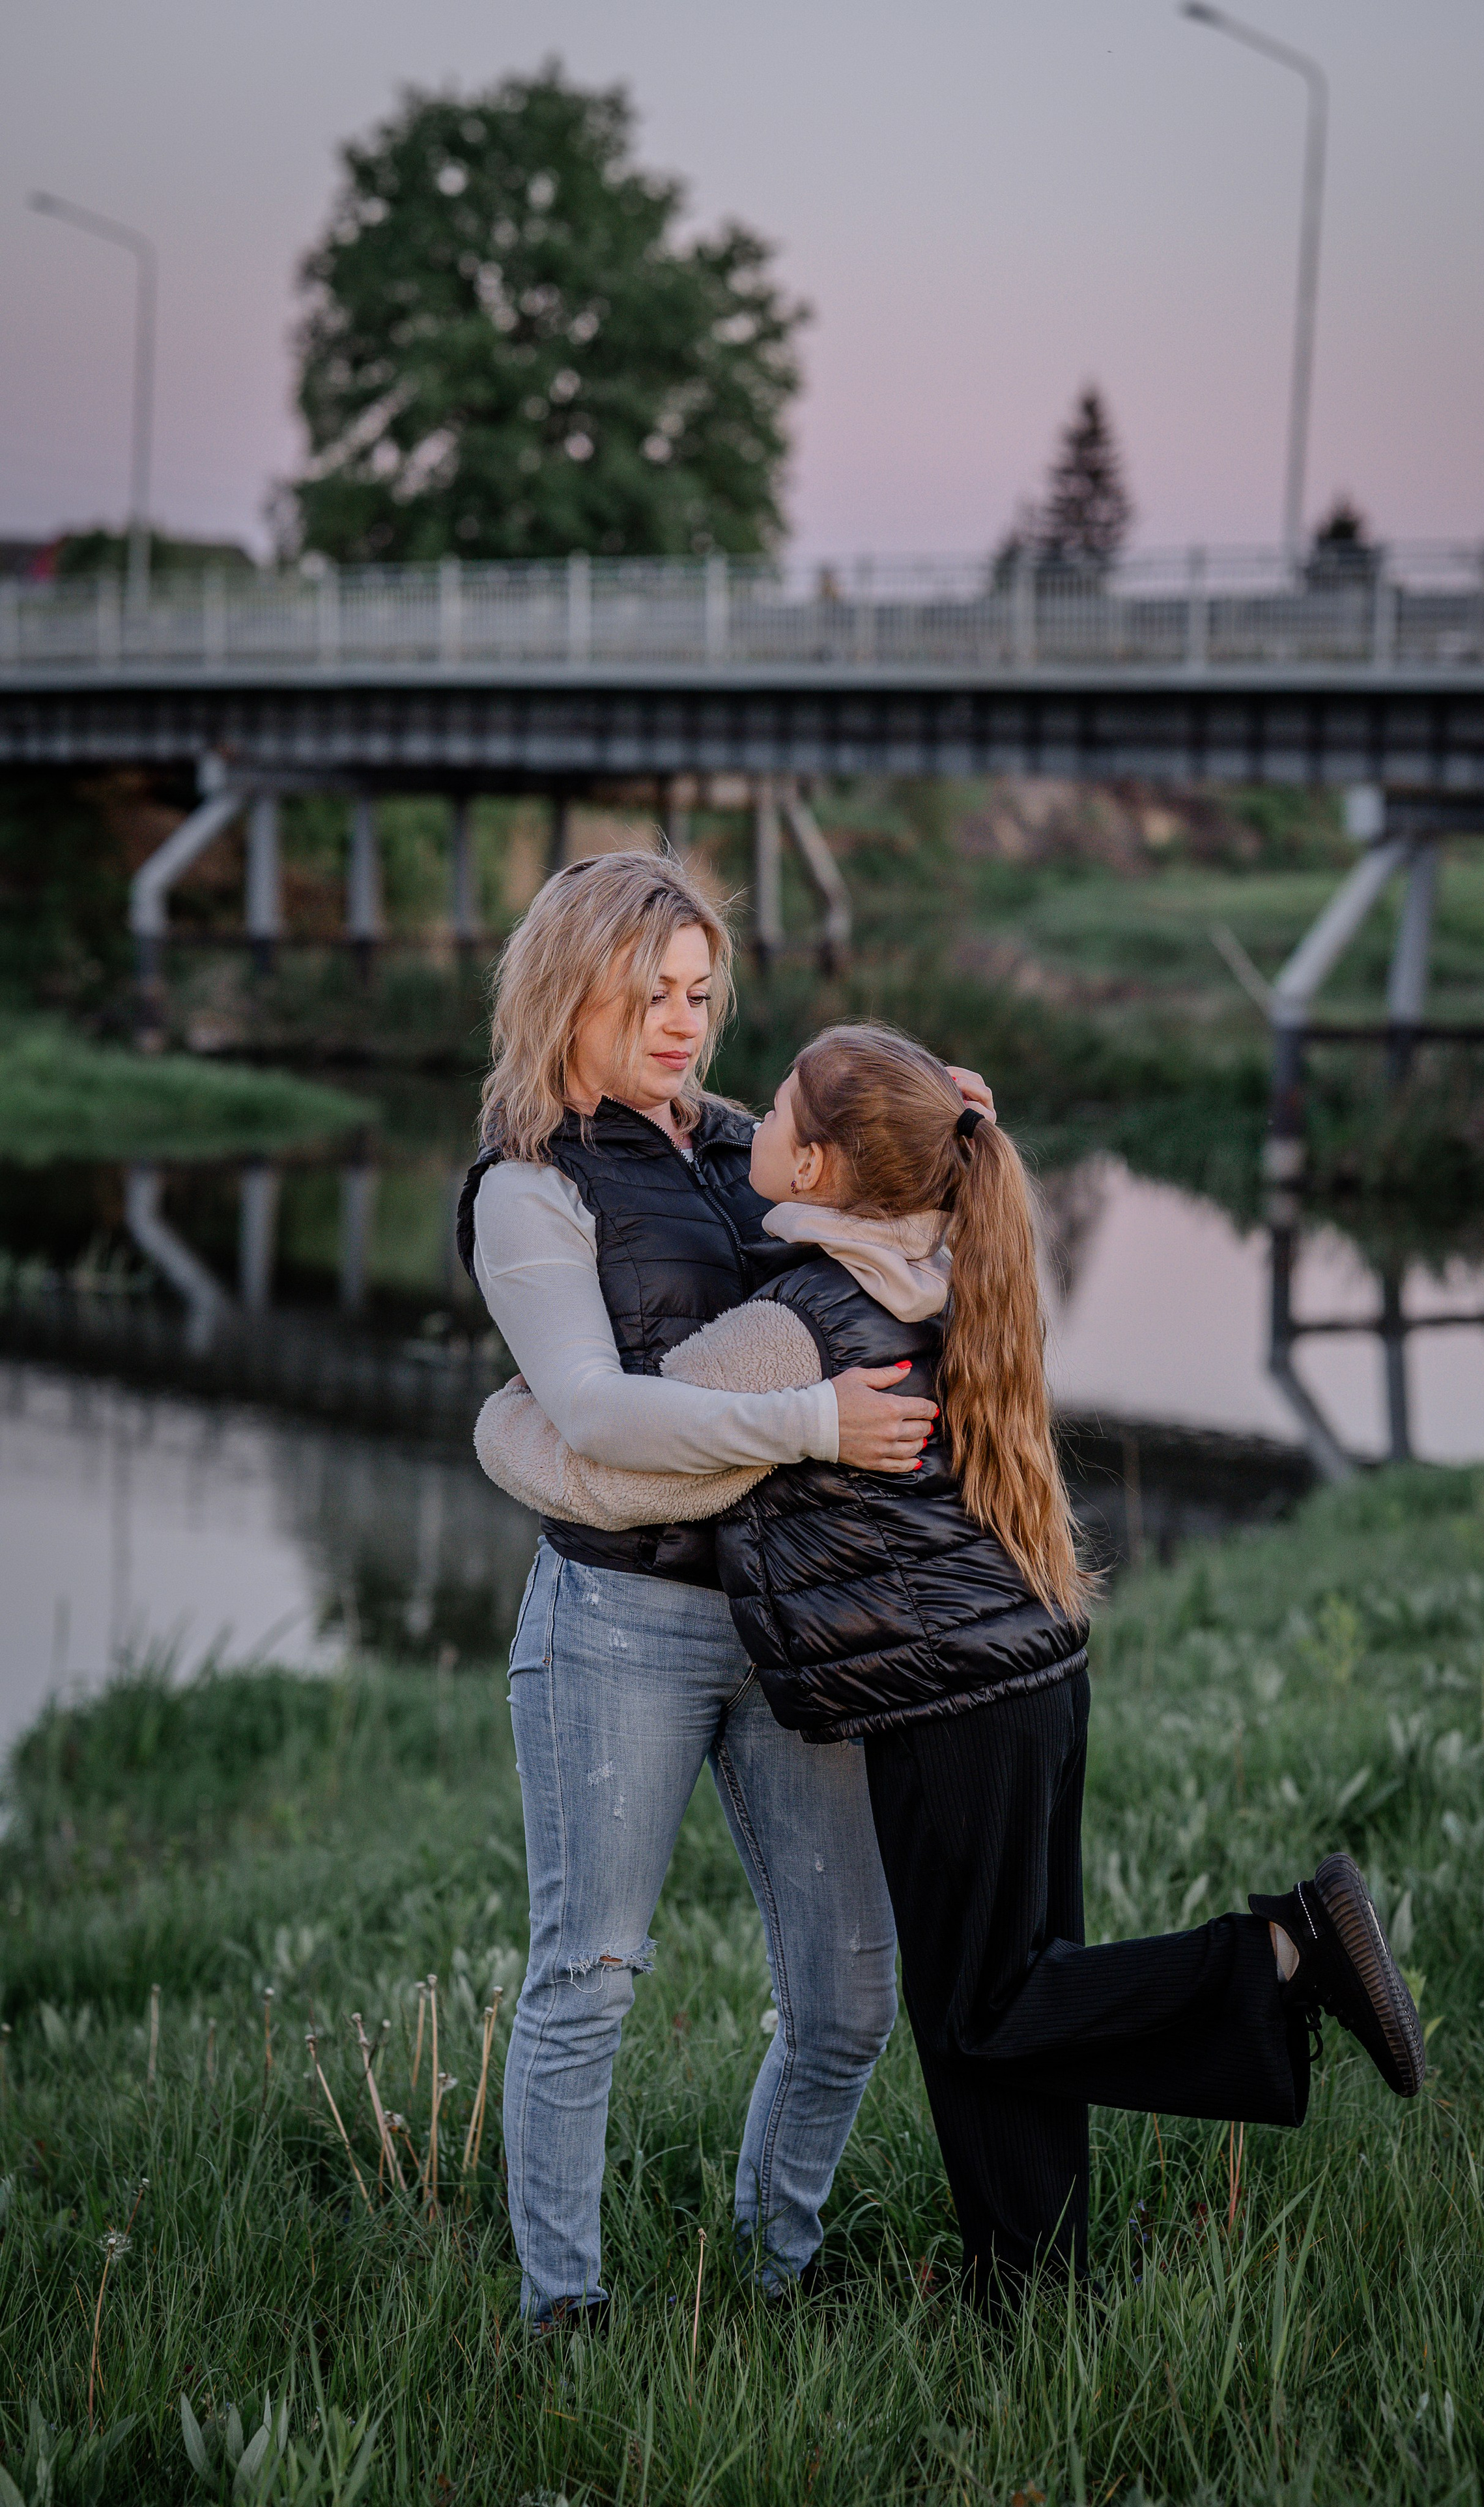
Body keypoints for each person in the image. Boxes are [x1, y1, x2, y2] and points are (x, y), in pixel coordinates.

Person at [483, 1022, 1427, 2303]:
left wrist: (500, 1420)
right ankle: (1030, 2286)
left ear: (817, 1168)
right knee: (1023, 1986)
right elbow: (844, 1192)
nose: (737, 1116)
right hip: (1025, 1669)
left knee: (982, 2009)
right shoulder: (929, 1247)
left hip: (945, 1701)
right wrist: (925, 1122)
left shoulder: (789, 1329)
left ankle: (1274, 1954)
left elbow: (618, 1457)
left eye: (775, 1120)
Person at [455, 852, 990, 2326]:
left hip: (798, 1624)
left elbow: (892, 1231)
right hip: (619, 1623)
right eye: (651, 997)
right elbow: (598, 1416)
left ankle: (779, 2269)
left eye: (699, 993)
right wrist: (814, 1425)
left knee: (847, 1999)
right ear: (573, 995)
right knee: (590, 1978)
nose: (684, 1024)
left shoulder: (745, 1144)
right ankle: (564, 2312)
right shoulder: (528, 1189)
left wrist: (937, 1130)